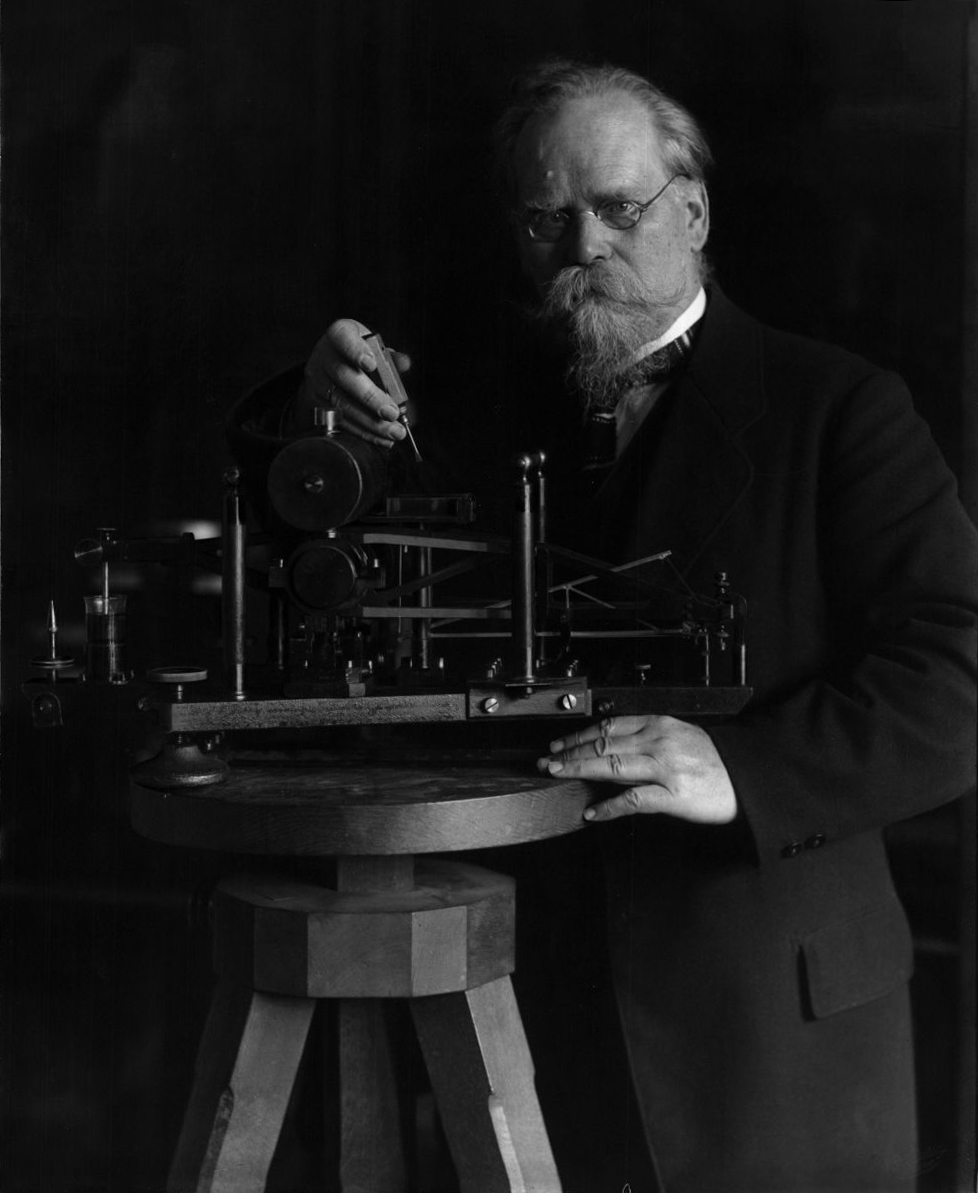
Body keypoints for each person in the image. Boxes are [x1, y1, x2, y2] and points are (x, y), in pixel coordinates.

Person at [232, 59, 978, 1193]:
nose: (583, 245)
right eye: (548, 219)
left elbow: (960, 671)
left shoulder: (840, 409)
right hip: (536, 1015)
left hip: (776, 1030)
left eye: (619, 208)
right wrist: (318, 416)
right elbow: (318, 560)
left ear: (694, 211)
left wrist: (743, 766)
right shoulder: (475, 405)